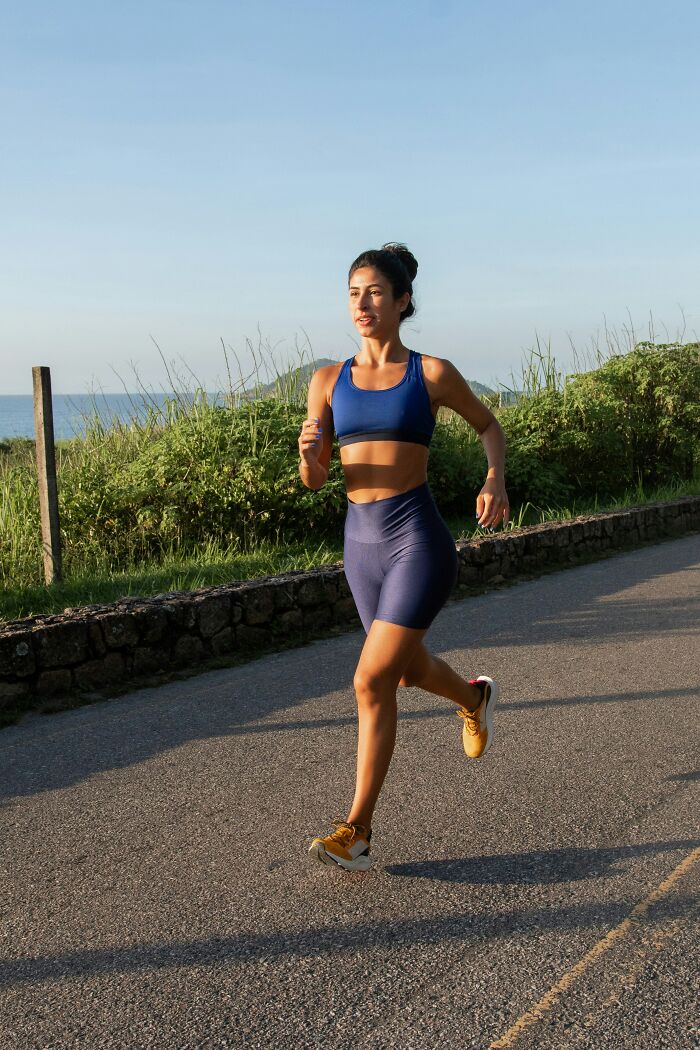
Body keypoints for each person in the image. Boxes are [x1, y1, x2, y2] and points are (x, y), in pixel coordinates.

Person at [298, 243, 509, 872]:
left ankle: (357, 829)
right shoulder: (327, 381)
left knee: (371, 679)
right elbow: (314, 479)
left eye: (374, 293)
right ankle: (472, 698)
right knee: (407, 670)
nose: (362, 305)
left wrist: (494, 478)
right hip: (359, 547)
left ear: (402, 302)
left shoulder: (432, 373)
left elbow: (488, 426)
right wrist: (312, 454)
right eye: (353, 293)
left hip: (417, 541)